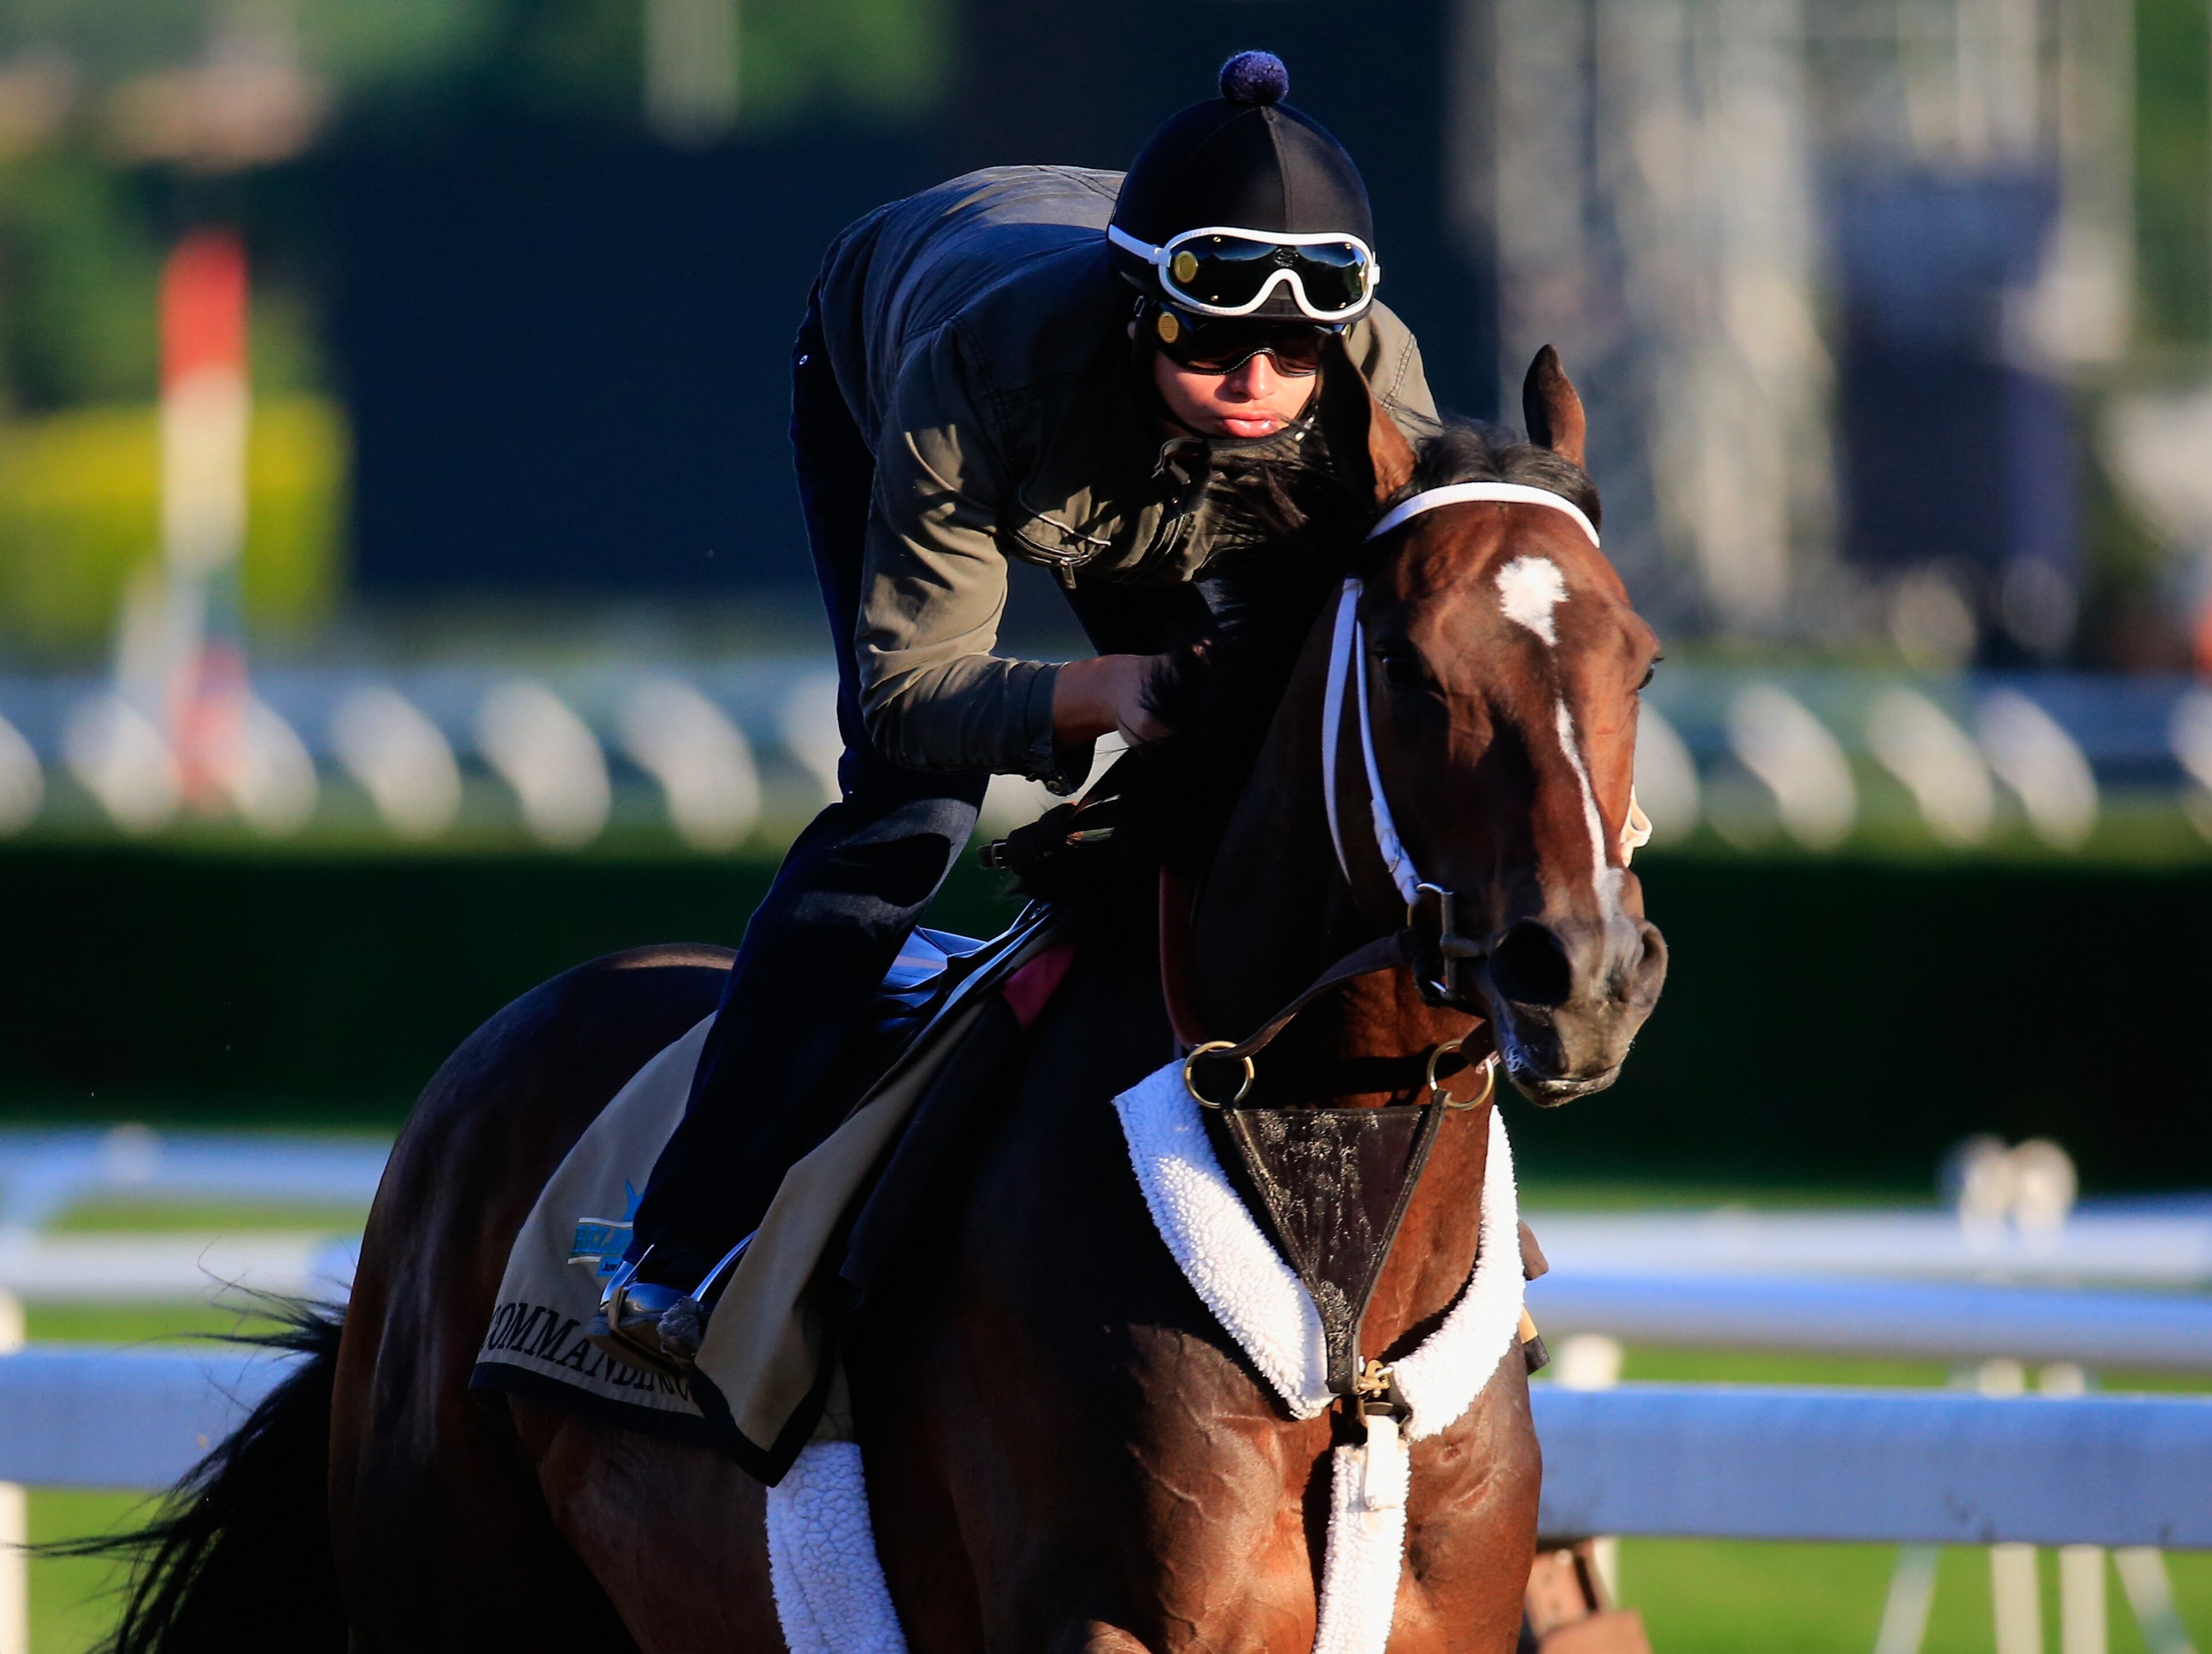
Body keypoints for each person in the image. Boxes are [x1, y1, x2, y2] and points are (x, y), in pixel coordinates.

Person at [593, 48, 1438, 1371]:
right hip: (908, 342)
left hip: (1106, 410)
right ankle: (685, 1239)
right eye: (1216, 327)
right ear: (1142, 301)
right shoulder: (974, 367)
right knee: (909, 815)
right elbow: (910, 693)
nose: (1258, 373)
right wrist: (1105, 690)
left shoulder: (1373, 383)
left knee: (1280, 787)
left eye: (1296, 341)